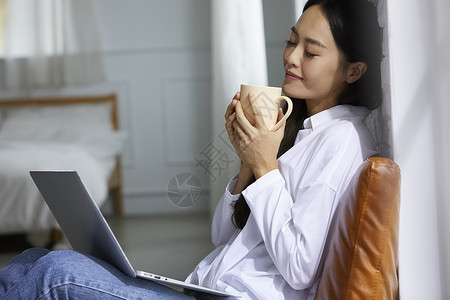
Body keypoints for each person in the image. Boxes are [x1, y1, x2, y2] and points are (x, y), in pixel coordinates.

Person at [0, 0, 382, 299]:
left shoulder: (342, 139)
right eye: (291, 40)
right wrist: (247, 163)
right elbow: (221, 236)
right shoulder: (299, 130)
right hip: (205, 289)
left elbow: (300, 268)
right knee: (37, 259)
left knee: (57, 272)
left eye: (310, 52)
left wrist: (264, 165)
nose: (291, 56)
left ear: (354, 71)